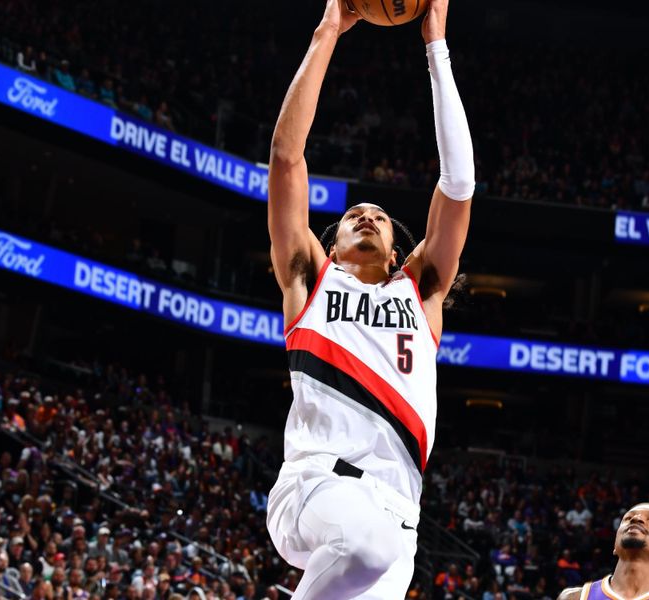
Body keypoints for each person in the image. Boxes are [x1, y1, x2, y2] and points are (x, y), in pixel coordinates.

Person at [265, 0, 474, 597]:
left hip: (398, 517)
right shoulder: (309, 278)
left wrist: (436, 42)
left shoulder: (421, 288)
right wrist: (328, 27)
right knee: (364, 545)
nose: (365, 214)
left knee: (376, 546)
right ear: (330, 241)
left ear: (394, 246)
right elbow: (286, 159)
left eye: (379, 215)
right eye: (353, 213)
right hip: (314, 489)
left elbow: (458, 184)